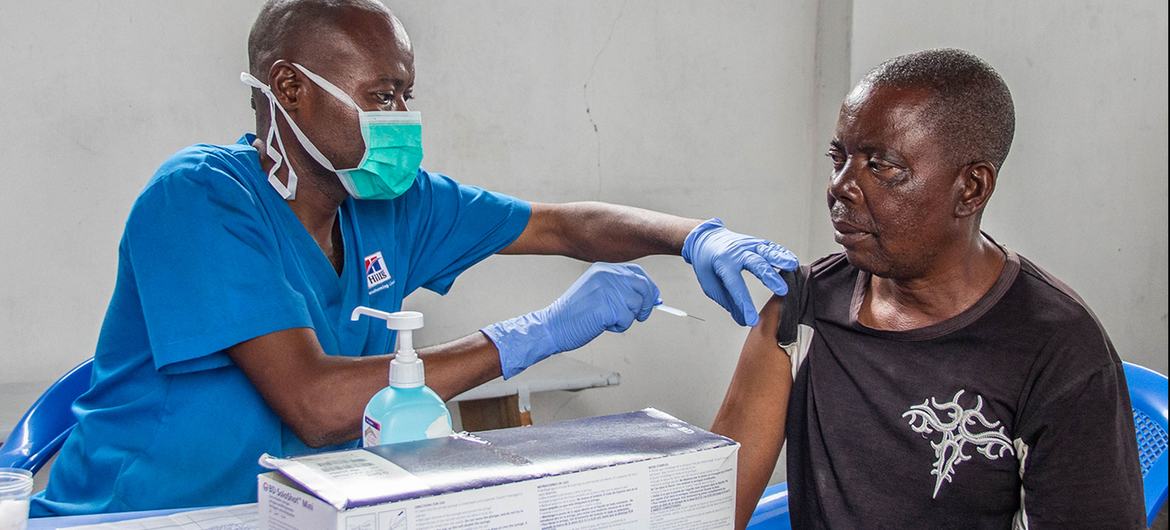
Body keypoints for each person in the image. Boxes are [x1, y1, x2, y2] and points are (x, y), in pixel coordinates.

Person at [31, 0, 798, 516]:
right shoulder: (199, 201)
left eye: (407, 96)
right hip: (142, 516)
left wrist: (696, 237)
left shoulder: (392, 204)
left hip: (294, 515)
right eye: (384, 96)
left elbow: (563, 226)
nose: (403, 118)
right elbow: (318, 404)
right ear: (291, 89)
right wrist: (530, 335)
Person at [712, 48, 1145, 529]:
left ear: (972, 189)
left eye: (882, 166)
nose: (840, 186)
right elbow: (711, 509)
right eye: (839, 158)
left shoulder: (1055, 348)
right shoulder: (803, 309)